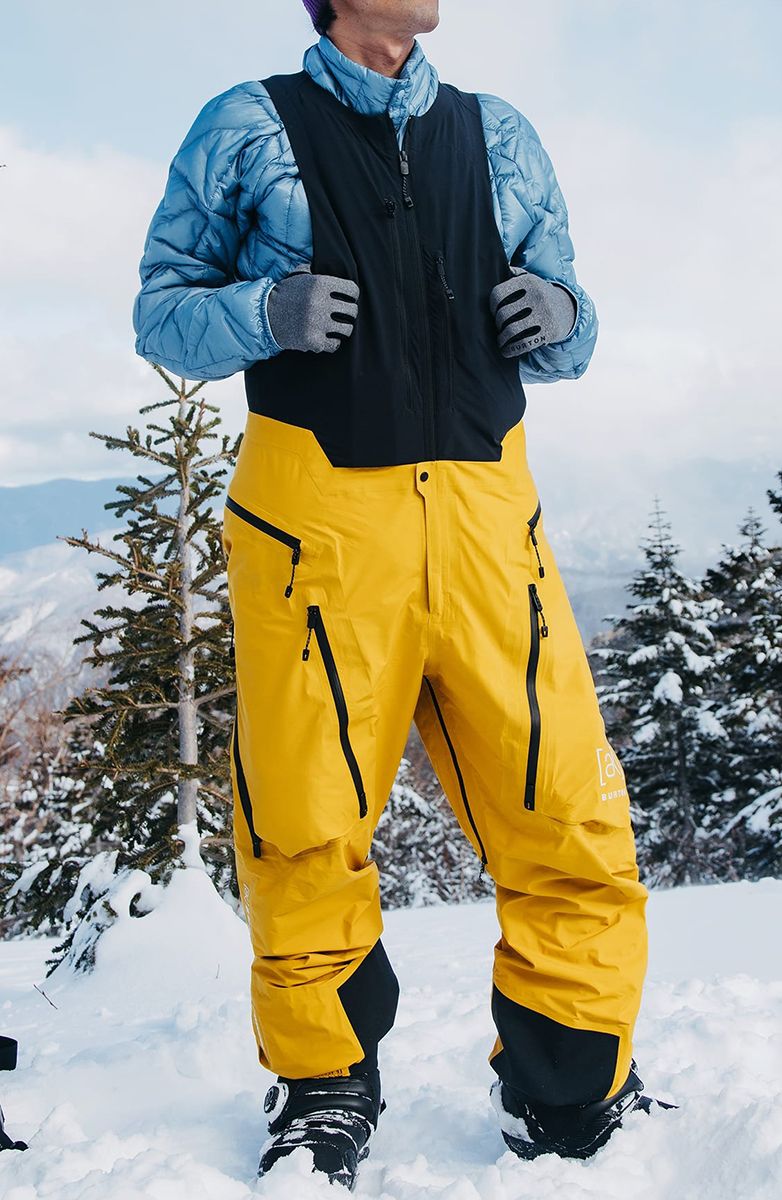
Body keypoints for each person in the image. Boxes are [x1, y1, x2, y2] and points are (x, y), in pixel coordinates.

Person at [133, 0, 664, 1188]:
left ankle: (569, 1087)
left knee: (567, 814)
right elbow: (159, 311)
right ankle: (323, 1084)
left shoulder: (496, 132)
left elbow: (569, 329)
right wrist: (260, 313)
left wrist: (563, 315)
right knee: (305, 826)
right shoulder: (247, 127)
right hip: (318, 525)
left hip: (487, 518)